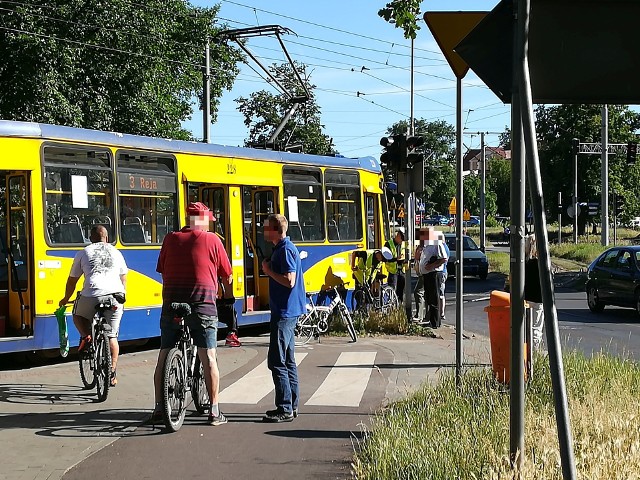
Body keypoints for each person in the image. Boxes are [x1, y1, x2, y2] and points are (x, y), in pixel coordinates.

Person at [146, 202, 233, 426]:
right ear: (203, 220)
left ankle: (158, 408)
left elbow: (163, 270)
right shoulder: (213, 240)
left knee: (164, 355)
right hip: (202, 304)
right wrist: (225, 293)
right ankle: (214, 412)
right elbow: (227, 275)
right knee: (209, 358)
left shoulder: (170, 239)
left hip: (172, 303)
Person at [59, 225, 127, 387]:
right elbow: (123, 278)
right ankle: (112, 373)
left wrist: (65, 299)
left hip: (91, 294)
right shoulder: (117, 252)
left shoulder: (83, 252)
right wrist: (122, 295)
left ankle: (86, 336)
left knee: (77, 315)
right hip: (115, 296)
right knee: (112, 336)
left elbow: (72, 281)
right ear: (107, 238)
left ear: (90, 238)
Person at [261, 213, 306, 423]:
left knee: (277, 361)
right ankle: (292, 405)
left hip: (284, 312)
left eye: (266, 227)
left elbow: (289, 280)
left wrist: (268, 271)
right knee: (288, 360)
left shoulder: (286, 250)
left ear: (276, 230)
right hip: (288, 310)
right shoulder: (283, 248)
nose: (263, 230)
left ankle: (285, 407)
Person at [419, 227, 448, 328]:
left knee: (434, 298)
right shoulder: (426, 245)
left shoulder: (437, 243)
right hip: (427, 274)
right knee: (429, 298)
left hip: (434, 274)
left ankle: (435, 323)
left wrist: (432, 266)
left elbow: (444, 258)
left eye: (423, 235)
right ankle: (431, 320)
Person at [385, 229, 406, 303]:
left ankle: (399, 306)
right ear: (398, 235)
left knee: (401, 291)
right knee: (392, 290)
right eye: (402, 238)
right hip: (393, 271)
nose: (402, 241)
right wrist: (396, 259)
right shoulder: (388, 244)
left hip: (402, 270)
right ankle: (392, 306)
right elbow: (385, 259)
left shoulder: (403, 244)